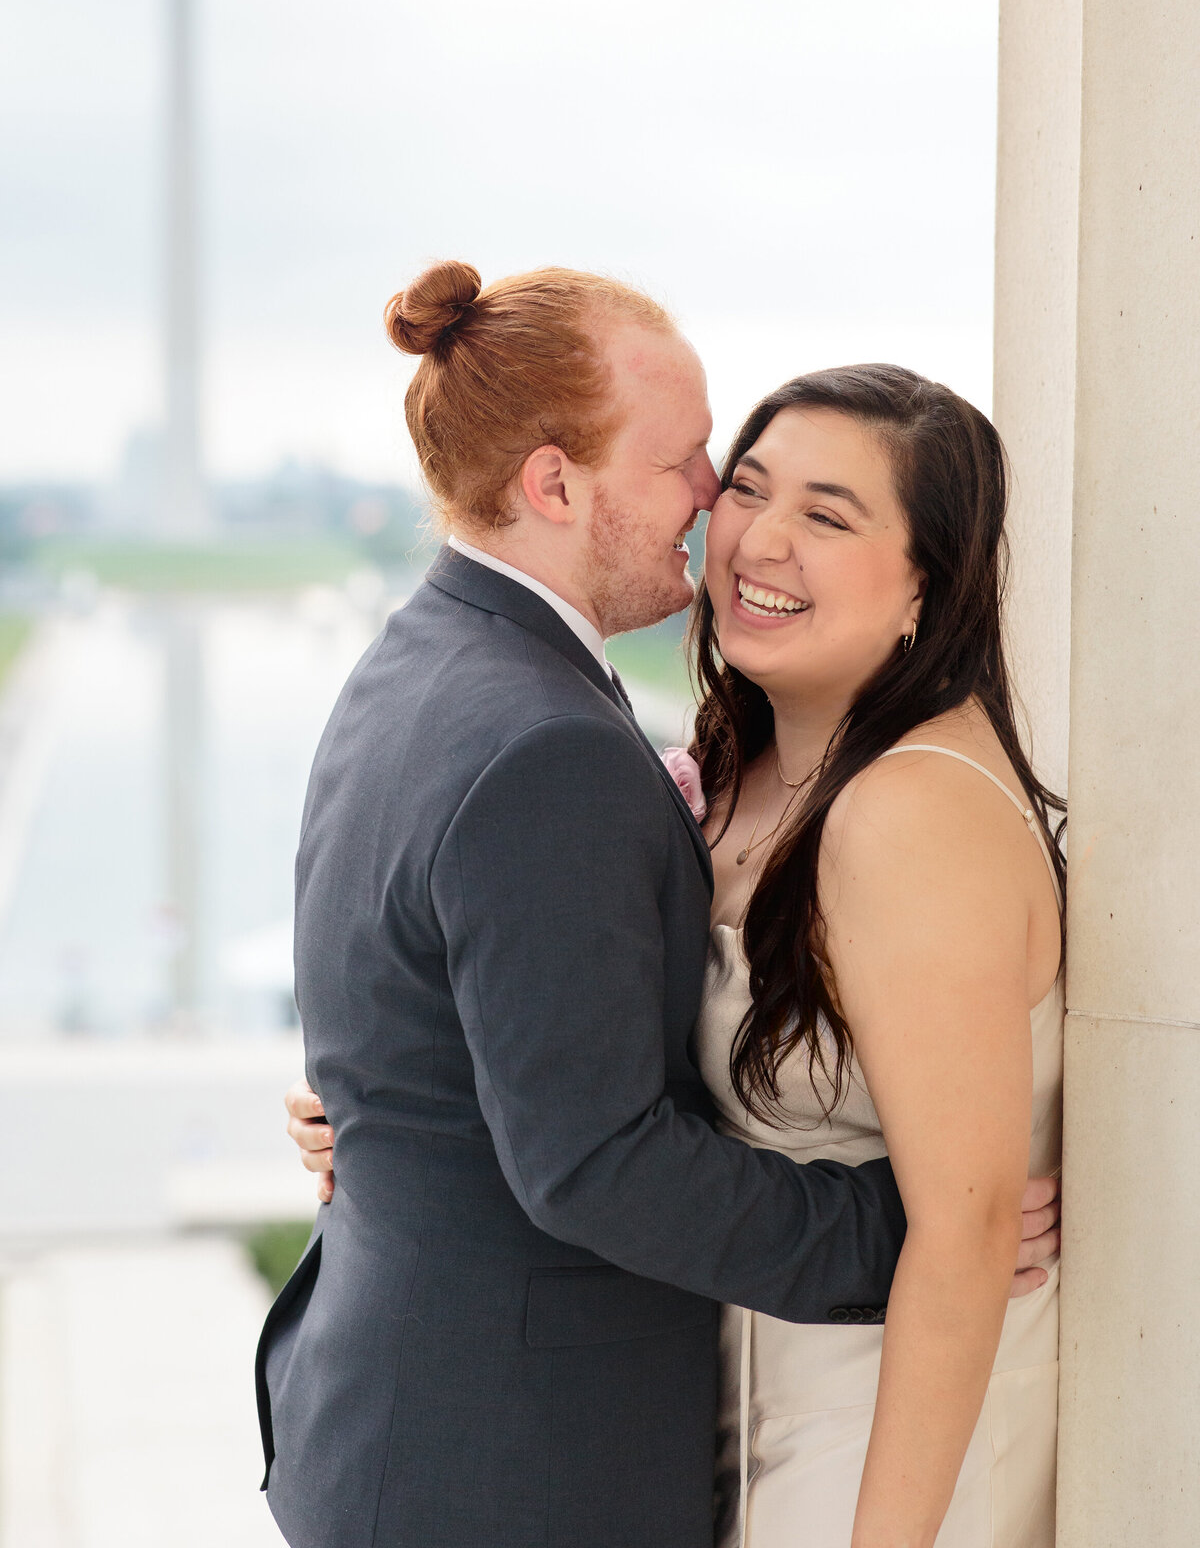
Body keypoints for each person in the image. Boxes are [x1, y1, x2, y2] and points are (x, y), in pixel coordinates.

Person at [267, 263, 1059, 1548]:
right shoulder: (563, 743)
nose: (718, 507)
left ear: (929, 582)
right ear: (554, 484)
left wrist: (406, 1121)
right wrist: (892, 1230)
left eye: (823, 509)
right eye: (712, 467)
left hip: (744, 1430)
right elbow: (587, 1149)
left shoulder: (423, 663)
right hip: (511, 1464)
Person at [692, 369, 1063, 1547]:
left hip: (881, 1456)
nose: (762, 536)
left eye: (829, 515)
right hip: (741, 1422)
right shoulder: (739, 773)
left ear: (926, 589)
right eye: (748, 489)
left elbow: (966, 1239)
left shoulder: (910, 812)